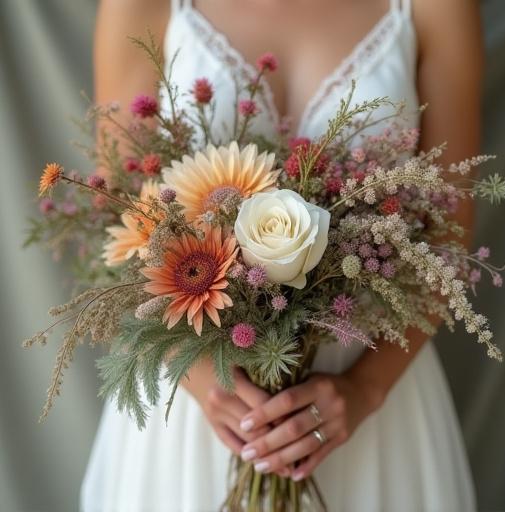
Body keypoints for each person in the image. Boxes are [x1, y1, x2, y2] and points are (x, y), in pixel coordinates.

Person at [81, 0, 481, 509]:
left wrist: (363, 392)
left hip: (369, 387)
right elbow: (116, 216)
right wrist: (203, 380)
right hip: (197, 396)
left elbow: (449, 236)